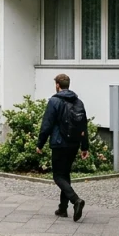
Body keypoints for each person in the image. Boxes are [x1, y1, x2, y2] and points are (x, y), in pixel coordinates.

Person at [36, 73, 89, 222]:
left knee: (58, 176)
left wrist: (40, 144)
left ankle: (76, 200)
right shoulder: (78, 102)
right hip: (73, 143)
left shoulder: (54, 101)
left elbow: (47, 124)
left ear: (58, 85)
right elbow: (83, 125)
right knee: (65, 174)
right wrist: (84, 147)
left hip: (59, 144)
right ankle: (62, 209)